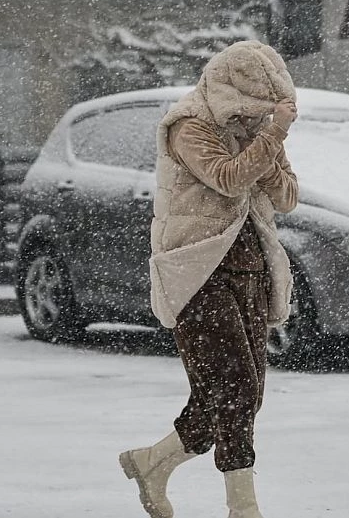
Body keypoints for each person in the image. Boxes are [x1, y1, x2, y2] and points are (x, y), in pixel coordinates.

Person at [119, 40, 299, 518]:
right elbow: (226, 178)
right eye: (246, 112)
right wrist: (269, 138)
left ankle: (153, 462)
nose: (250, 121)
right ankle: (243, 507)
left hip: (249, 269)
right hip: (195, 271)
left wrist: (269, 145)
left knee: (237, 392)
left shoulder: (258, 133)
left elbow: (287, 197)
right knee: (236, 385)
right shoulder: (188, 127)